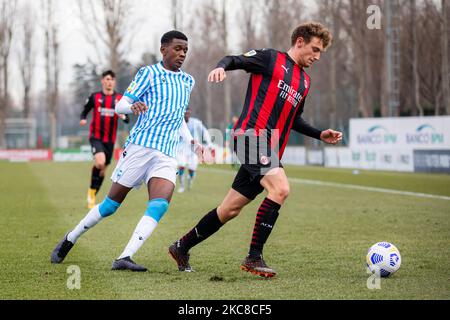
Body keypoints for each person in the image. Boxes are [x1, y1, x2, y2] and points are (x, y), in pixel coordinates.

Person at [168, 22, 343, 278]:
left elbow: (294, 119)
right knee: (281, 188)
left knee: (229, 210)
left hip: (268, 149)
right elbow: (234, 59)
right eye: (315, 49)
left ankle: (181, 246)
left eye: (320, 52)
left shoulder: (304, 81)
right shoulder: (270, 59)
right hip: (250, 137)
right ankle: (254, 257)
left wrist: (319, 134)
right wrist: (220, 67)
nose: (317, 56)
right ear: (300, 42)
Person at [51, 30, 199, 272]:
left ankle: (125, 257)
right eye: (177, 48)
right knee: (110, 206)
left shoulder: (188, 81)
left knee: (160, 205)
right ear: (163, 50)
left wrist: (192, 141)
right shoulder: (148, 73)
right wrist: (133, 105)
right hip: (140, 147)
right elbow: (121, 104)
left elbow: (178, 116)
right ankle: (71, 238)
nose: (182, 53)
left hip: (166, 153)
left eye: (185, 49)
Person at [80, 70, 130, 209]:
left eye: (112, 79)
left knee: (102, 171)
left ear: (114, 82)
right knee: (100, 162)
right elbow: (85, 110)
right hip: (96, 137)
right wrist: (83, 118)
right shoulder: (94, 97)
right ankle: (91, 193)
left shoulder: (120, 99)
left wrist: (124, 117)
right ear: (102, 81)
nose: (109, 82)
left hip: (110, 140)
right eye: (107, 79)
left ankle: (93, 193)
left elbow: (127, 119)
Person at [177, 108, 214, 193]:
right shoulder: (178, 122)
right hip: (180, 149)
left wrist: (209, 143)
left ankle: (189, 181)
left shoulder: (195, 122)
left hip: (193, 150)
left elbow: (204, 131)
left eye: (187, 113)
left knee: (191, 169)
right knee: (181, 165)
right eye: (184, 113)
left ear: (189, 114)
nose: (186, 115)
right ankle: (182, 186)